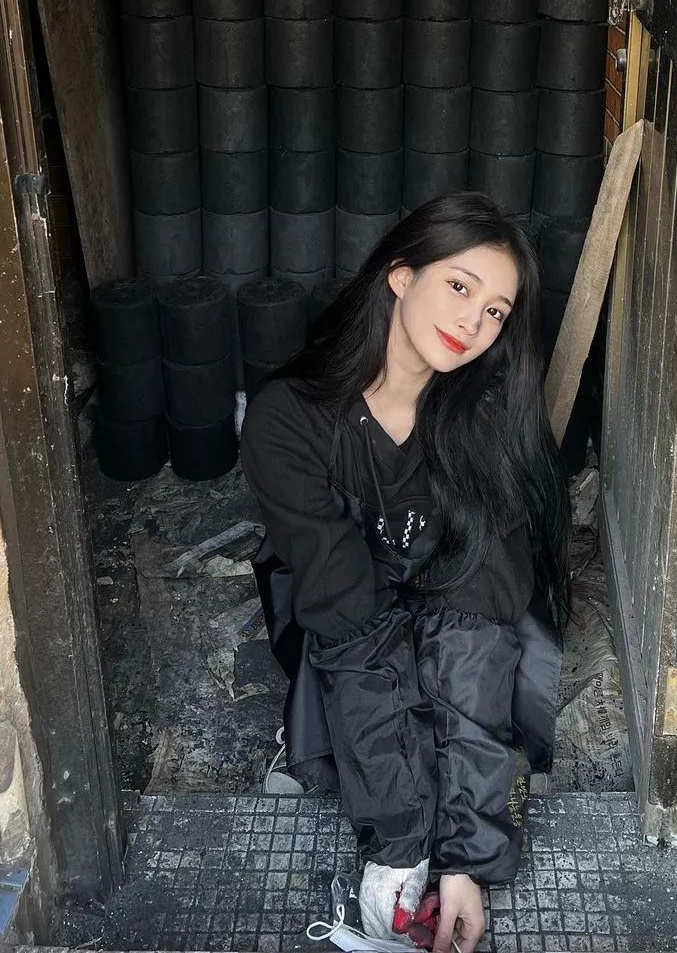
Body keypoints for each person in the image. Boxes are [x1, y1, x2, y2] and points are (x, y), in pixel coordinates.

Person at [240, 192, 571, 953]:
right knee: (349, 689)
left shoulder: (486, 417)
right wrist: (399, 846)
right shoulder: (289, 419)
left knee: (482, 649)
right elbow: (352, 623)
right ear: (400, 276)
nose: (473, 322)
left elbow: (476, 634)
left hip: (463, 623)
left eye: (496, 311)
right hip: (347, 622)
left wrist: (465, 860)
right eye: (459, 286)